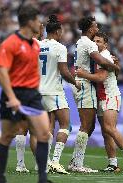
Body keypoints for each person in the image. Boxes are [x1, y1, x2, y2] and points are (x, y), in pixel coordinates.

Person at [0, 6, 61, 183]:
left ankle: (42, 181)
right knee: (7, 136)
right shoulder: (10, 43)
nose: (40, 23)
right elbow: (1, 72)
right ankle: (0, 182)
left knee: (43, 134)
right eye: (37, 20)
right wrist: (11, 97)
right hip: (14, 94)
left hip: (32, 95)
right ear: (29, 21)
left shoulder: (35, 45)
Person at [0, 23, 45, 174]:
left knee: (19, 129)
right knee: (20, 129)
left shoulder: (30, 45)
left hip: (26, 91)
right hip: (23, 92)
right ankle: (18, 164)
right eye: (39, 27)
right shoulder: (32, 44)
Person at [75, 32, 123, 172]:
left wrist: (83, 74)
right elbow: (115, 72)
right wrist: (117, 67)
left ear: (105, 44)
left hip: (110, 95)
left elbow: (102, 77)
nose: (96, 43)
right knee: (105, 132)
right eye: (94, 41)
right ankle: (113, 163)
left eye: (99, 41)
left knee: (109, 128)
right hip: (101, 97)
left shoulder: (105, 56)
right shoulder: (96, 56)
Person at [68, 16, 120, 173]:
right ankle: (76, 164)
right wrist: (115, 65)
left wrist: (110, 60)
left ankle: (75, 161)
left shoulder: (80, 42)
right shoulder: (88, 43)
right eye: (95, 26)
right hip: (84, 85)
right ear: (90, 29)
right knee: (86, 125)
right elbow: (102, 63)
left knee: (89, 126)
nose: (97, 28)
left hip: (83, 85)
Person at [38, 15, 81, 174]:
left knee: (48, 127)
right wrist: (75, 82)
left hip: (38, 91)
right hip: (53, 91)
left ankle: (45, 162)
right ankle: (55, 161)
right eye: (61, 31)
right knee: (66, 125)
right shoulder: (60, 48)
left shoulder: (37, 45)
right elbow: (64, 71)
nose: (62, 33)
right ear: (57, 31)